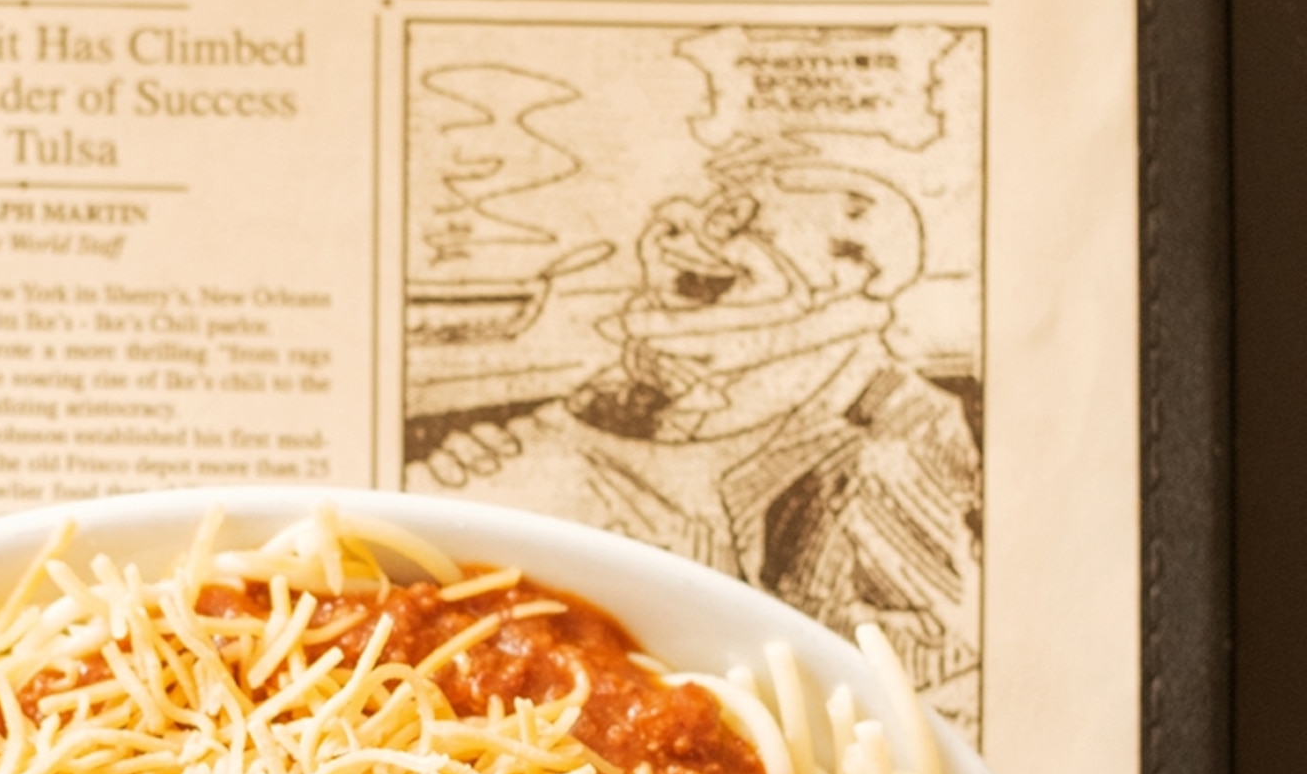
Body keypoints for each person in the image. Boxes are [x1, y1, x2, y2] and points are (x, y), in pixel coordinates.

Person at [414, 160, 983, 719]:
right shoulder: (655, 384)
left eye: (742, 222)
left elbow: (936, 658)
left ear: (849, 270)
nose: (684, 232)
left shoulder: (892, 434)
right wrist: (490, 468)